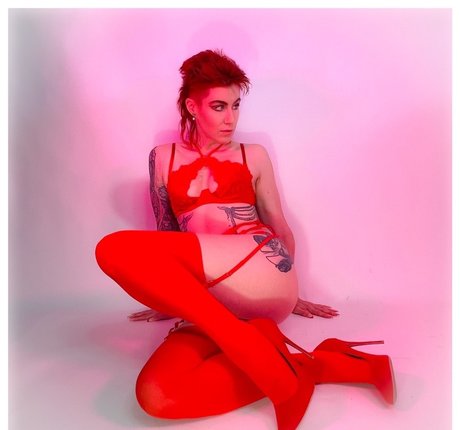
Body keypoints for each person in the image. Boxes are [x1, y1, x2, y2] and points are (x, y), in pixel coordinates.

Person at [95, 49, 395, 430]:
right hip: (211, 298)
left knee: (112, 248)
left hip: (259, 271)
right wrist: (165, 293)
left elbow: (278, 225)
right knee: (156, 395)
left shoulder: (253, 155)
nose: (231, 118)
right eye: (219, 106)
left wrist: (291, 291)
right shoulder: (162, 158)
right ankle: (315, 366)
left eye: (236, 106)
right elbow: (167, 234)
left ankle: (257, 352)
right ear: (191, 107)